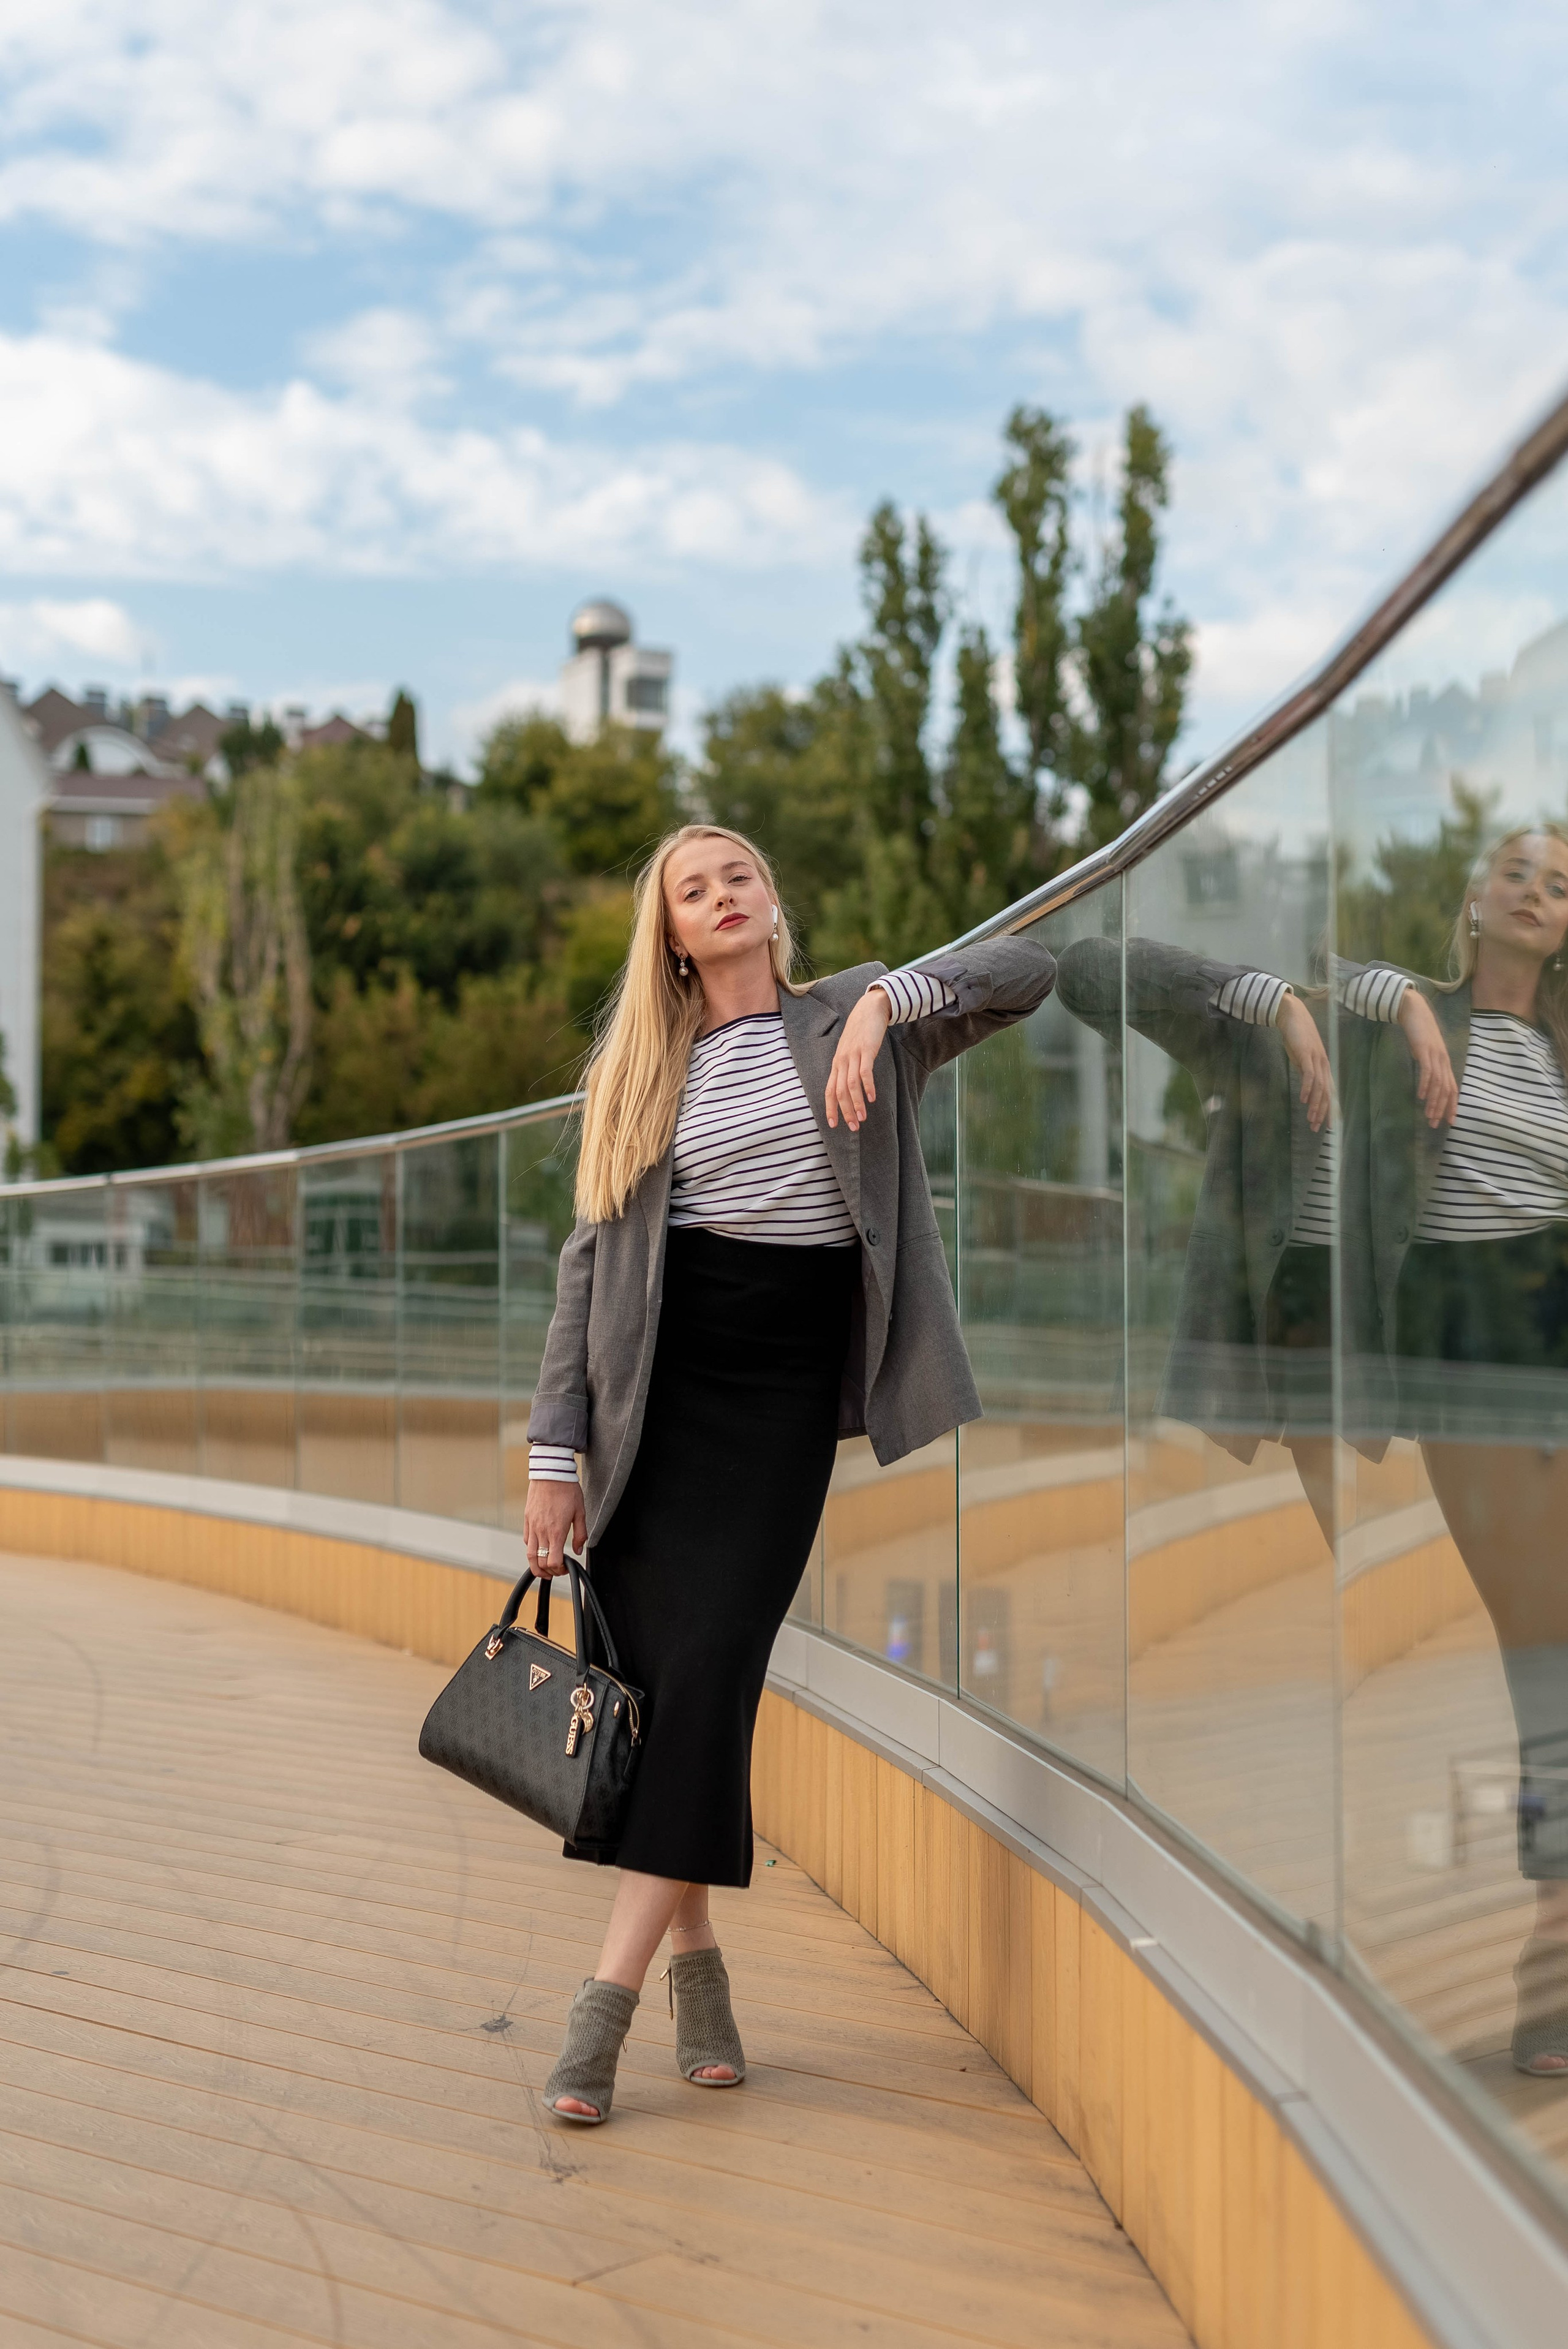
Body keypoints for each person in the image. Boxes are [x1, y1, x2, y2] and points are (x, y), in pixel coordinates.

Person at [522, 823, 1056, 2122]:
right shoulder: (644, 1073)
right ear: (669, 931)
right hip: (656, 1404)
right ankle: (695, 1971)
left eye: (736, 877)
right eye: (690, 890)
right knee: (666, 1697)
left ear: (771, 899)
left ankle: (598, 2008)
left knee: (708, 1680)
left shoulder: (850, 1020)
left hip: (771, 1409)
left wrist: (886, 997)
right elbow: (585, 1272)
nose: (718, 897)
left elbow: (1030, 968)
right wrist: (553, 1457)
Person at [1338, 826, 1568, 2076]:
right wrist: (1410, 1012)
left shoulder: (1560, 1046)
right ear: (1474, 899)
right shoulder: (1415, 1019)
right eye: (1517, 872)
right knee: (1544, 1639)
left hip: (1554, 1329)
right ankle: (1550, 1954)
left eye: (1561, 883)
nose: (1538, 892)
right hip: (1465, 1345)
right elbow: (1310, 971)